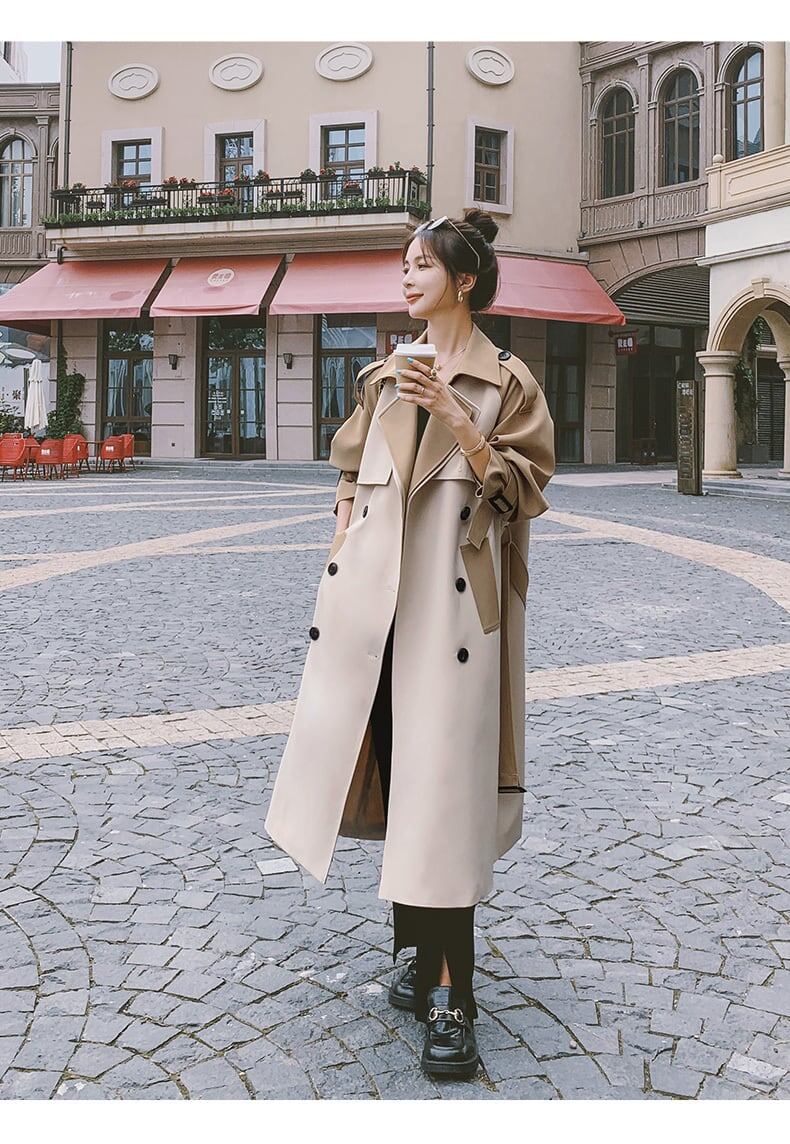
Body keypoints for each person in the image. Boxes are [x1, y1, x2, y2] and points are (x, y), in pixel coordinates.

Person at [265, 208, 556, 1081]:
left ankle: (452, 999)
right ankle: (413, 954)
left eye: (422, 264)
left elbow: (524, 491)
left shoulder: (508, 384)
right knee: (402, 790)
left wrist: (458, 419)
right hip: (377, 621)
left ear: (464, 281)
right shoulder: (384, 376)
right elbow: (348, 465)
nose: (406, 275)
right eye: (404, 262)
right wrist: (342, 532)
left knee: (445, 804)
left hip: (453, 625)